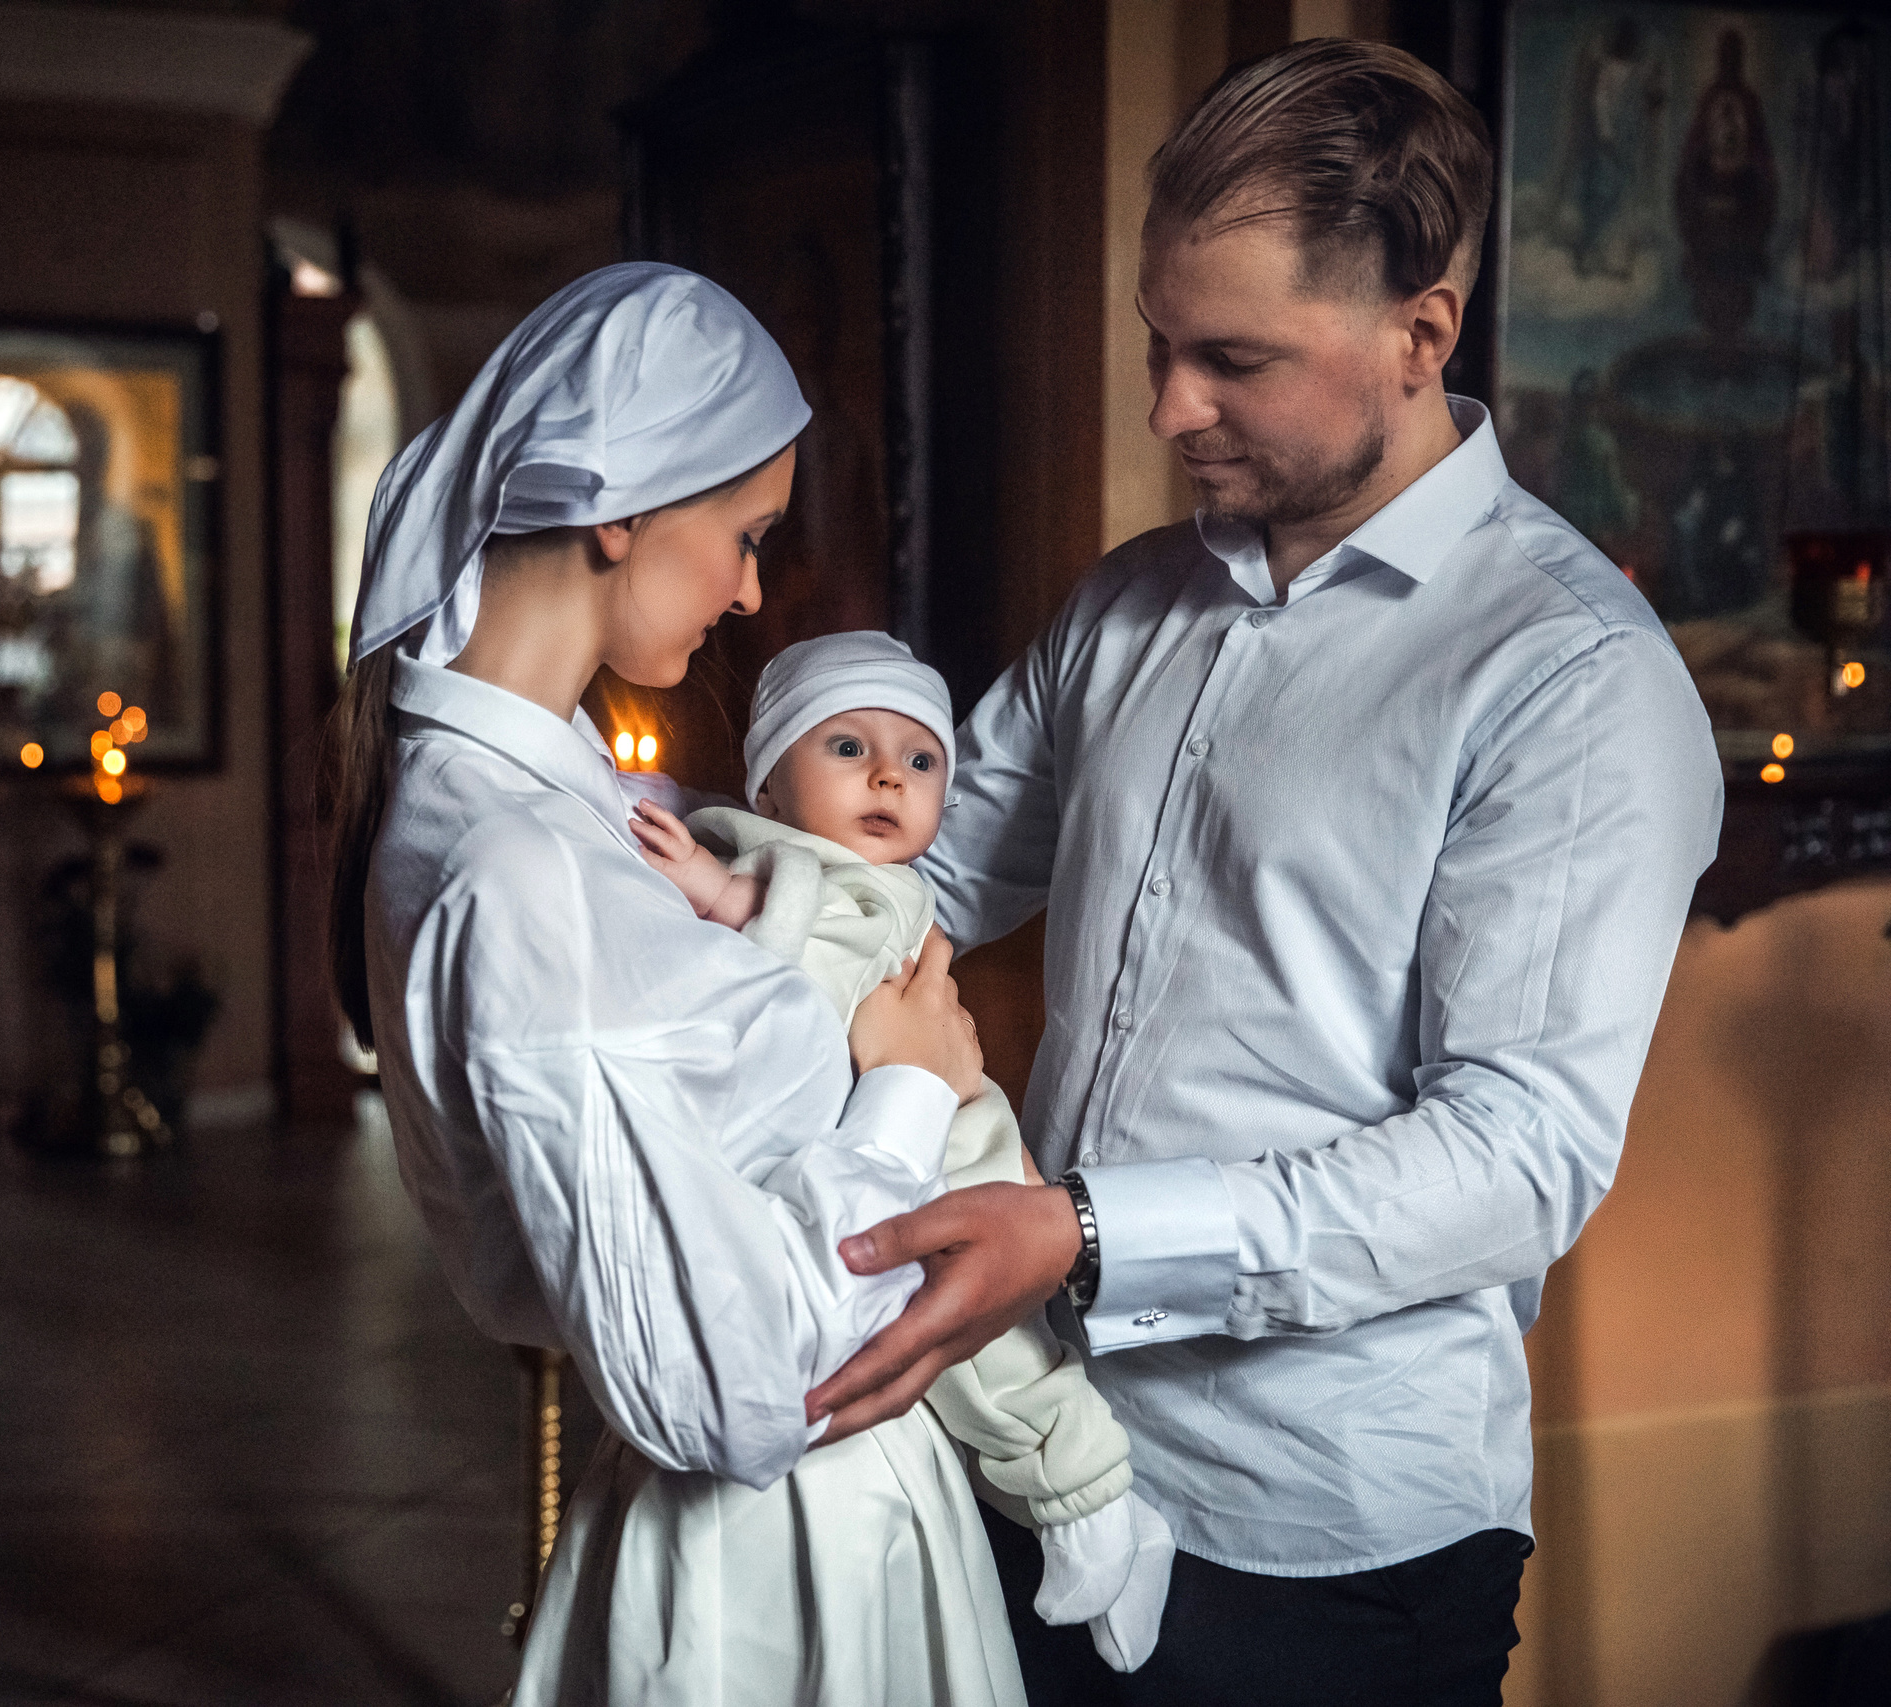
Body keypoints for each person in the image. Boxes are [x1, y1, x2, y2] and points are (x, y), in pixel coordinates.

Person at [806, 40, 1725, 1705]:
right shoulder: (1132, 601)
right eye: (1162, 346)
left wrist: (1081, 1232)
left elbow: (1517, 1160)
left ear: (1420, 335)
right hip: (1035, 1449)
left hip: (1323, 1537)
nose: (1169, 409)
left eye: (1232, 359)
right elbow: (913, 872)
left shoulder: (1574, 676)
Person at [326, 262, 1020, 1704]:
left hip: (840, 1515)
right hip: (772, 1562)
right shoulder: (519, 871)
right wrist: (903, 1085)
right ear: (622, 509)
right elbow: (732, 1385)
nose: (755, 586)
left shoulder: (573, 803)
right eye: (746, 533)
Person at [630, 629, 1173, 1671]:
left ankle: (1094, 1508)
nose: (889, 774)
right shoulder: (802, 861)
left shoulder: (868, 887)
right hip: (899, 1144)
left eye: (920, 761)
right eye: (846, 747)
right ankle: (1088, 1508)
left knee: (988, 1358)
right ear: (769, 788)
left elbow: (807, 964)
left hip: (947, 1163)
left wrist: (718, 891)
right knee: (971, 1353)